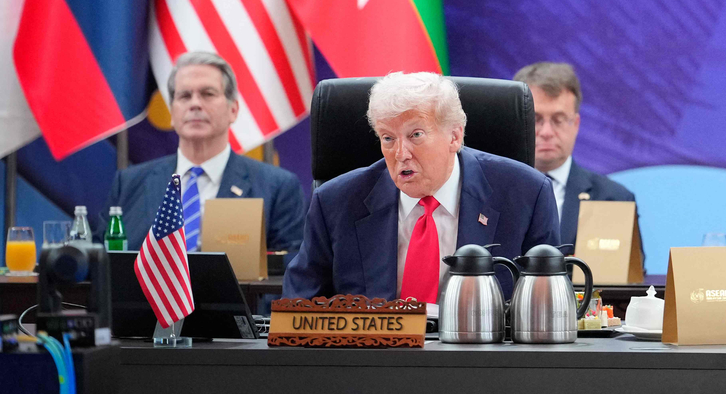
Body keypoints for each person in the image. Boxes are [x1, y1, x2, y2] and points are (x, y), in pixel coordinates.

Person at [283, 71, 560, 309]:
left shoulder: (526, 194)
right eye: (388, 138)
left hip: (482, 364)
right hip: (372, 364)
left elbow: (549, 308)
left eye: (416, 135)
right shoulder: (336, 202)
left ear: (454, 136)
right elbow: (298, 307)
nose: (400, 153)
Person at [107, 51, 304, 251]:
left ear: (233, 110)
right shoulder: (129, 184)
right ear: (172, 113)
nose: (195, 104)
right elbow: (102, 262)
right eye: (184, 96)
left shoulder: (277, 187)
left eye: (208, 94)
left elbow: (290, 269)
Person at [512, 62, 638, 249]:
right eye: (535, 119)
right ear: (517, 120)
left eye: (559, 120)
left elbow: (625, 277)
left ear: (576, 124)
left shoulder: (612, 199)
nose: (546, 132)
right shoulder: (489, 192)